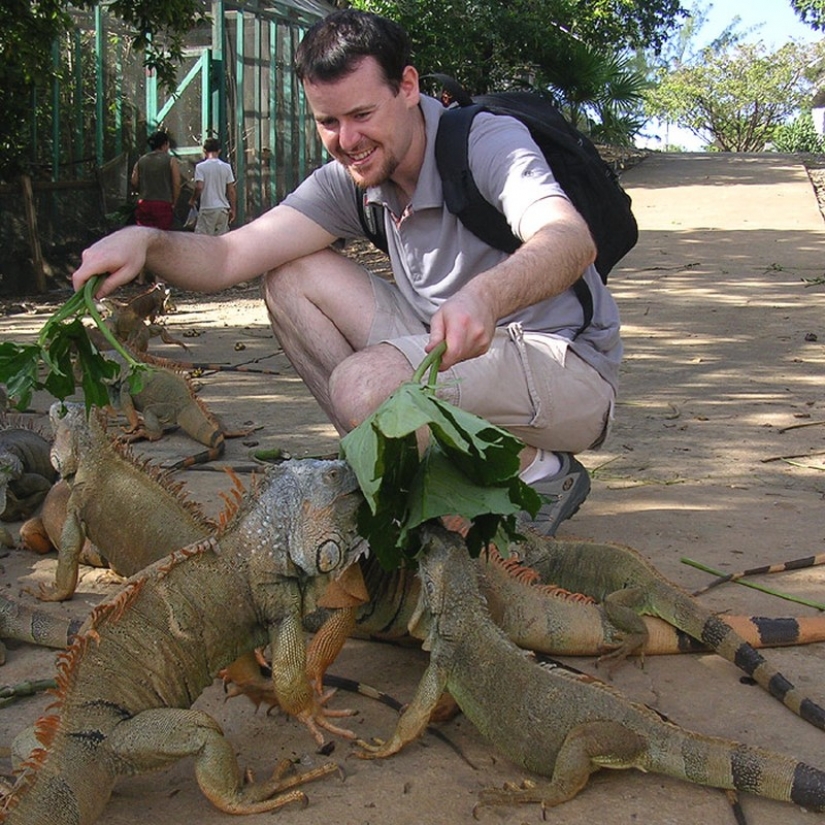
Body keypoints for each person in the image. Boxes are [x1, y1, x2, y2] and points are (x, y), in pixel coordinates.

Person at [73, 9, 621, 536]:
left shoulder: (484, 140)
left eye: (362, 115)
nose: (348, 140)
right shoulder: (350, 178)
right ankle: (403, 478)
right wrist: (147, 241)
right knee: (288, 277)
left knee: (362, 386)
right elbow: (227, 256)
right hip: (453, 353)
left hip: (564, 367)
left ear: (407, 87)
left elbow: (570, 240)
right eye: (328, 122)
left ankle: (537, 469)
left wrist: (487, 295)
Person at [131, 130, 181, 231]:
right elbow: (177, 183)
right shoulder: (171, 160)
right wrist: (174, 202)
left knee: (145, 236)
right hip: (163, 204)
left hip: (144, 203)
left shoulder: (141, 160)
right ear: (165, 144)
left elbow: (134, 181)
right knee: (162, 236)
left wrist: (141, 191)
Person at [189, 138, 237, 235]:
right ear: (219, 150)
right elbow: (231, 191)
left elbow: (199, 187)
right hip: (222, 209)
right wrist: (233, 208)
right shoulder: (226, 167)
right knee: (221, 240)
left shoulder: (200, 167)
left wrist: (193, 199)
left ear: (204, 151)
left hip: (207, 208)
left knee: (204, 240)